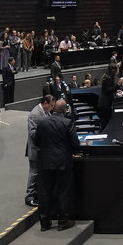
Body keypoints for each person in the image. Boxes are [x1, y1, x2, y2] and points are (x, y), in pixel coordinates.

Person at [33, 99, 78, 231]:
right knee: (63, 191)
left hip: (45, 162)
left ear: (53, 109)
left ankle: (44, 222)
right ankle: (63, 221)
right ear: (65, 110)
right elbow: (75, 144)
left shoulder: (42, 122)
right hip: (63, 162)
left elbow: (36, 142)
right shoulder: (67, 122)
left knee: (45, 192)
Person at [24, 95, 55, 206]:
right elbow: (32, 133)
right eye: (51, 106)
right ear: (45, 103)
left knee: (39, 173)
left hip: (43, 149)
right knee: (34, 173)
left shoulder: (46, 112)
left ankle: (37, 194)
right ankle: (29, 197)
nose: (52, 108)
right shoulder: (34, 114)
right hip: (35, 149)